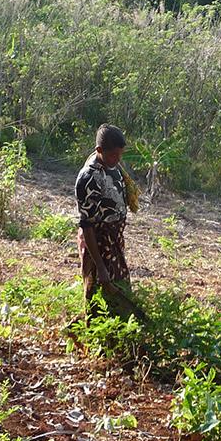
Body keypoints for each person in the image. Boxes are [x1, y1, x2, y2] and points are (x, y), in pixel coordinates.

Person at [75, 124, 142, 320]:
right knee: (98, 299)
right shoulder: (88, 178)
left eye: (120, 155)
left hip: (114, 243)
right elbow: (87, 226)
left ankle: (118, 338)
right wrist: (101, 269)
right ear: (99, 151)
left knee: (120, 292)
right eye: (113, 155)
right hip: (98, 245)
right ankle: (93, 341)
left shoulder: (113, 166)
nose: (118, 159)